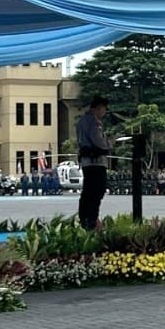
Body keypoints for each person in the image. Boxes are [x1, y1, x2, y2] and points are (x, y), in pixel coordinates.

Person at [76, 96, 112, 230]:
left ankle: (85, 219)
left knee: (87, 192)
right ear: (98, 108)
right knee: (97, 191)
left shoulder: (81, 121)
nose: (104, 112)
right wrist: (110, 142)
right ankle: (91, 221)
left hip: (86, 162)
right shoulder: (94, 122)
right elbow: (99, 142)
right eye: (104, 109)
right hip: (96, 162)